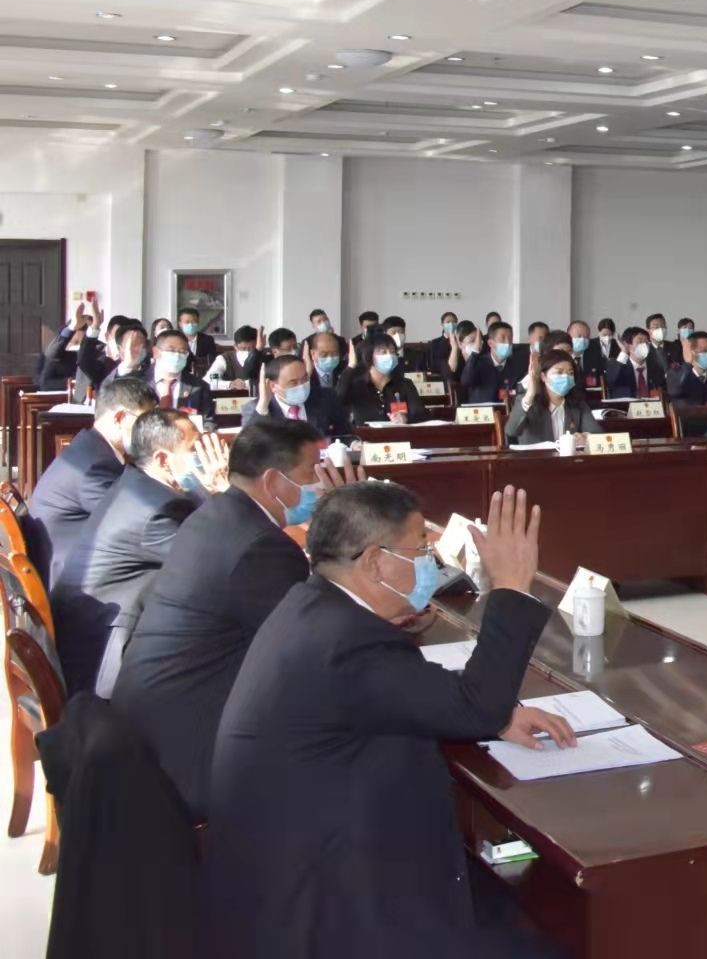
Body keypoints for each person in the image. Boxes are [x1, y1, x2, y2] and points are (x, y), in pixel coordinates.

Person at [204, 483, 573, 959]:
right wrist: (512, 587)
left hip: (292, 862)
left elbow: (411, 693)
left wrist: (499, 718)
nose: (430, 564)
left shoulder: (315, 606)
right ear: (376, 563)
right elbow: (476, 705)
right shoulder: (347, 641)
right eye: (421, 550)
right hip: (330, 902)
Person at [110, 419, 346, 819]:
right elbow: (315, 651)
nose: (319, 484)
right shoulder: (263, 547)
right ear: (274, 481)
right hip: (189, 752)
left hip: (148, 727)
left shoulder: (217, 513)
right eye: (311, 471)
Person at [53, 408, 225, 695]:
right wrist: (223, 492)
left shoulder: (139, 484)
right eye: (194, 449)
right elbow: (217, 564)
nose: (204, 458)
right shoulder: (156, 510)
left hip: (90, 632)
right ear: (162, 460)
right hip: (102, 661)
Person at [24, 377, 156, 585]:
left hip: (72, 563)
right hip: (70, 584)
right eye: (145, 422)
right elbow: (139, 523)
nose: (151, 431)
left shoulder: (91, 446)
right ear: (120, 418)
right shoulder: (95, 466)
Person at [243, 352, 349, 439]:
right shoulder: (256, 408)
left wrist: (353, 444)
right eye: (293, 382)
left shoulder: (325, 398)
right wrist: (263, 405)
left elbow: (345, 434)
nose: (301, 386)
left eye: (304, 379)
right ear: (273, 386)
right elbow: (249, 446)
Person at [506, 349, 600, 446]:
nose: (565, 377)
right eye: (559, 372)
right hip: (536, 455)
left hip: (568, 456)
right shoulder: (528, 402)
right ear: (543, 376)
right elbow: (511, 431)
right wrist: (529, 395)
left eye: (570, 373)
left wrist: (585, 437)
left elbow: (597, 434)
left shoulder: (578, 404)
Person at [340, 333, 429, 424]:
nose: (389, 356)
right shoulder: (357, 386)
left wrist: (405, 419)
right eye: (383, 352)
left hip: (397, 433)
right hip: (365, 433)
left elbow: (420, 415)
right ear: (369, 356)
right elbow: (338, 400)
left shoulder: (405, 385)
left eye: (392, 352)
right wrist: (350, 366)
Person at [148, 328, 216, 421]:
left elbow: (208, 421)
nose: (177, 355)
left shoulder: (199, 386)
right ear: (156, 352)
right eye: (171, 350)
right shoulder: (138, 382)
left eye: (182, 352)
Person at [80, 319, 149, 400]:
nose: (138, 349)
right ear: (120, 349)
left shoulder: (150, 370)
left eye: (141, 345)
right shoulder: (107, 367)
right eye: (131, 345)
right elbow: (84, 361)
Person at [448, 319, 501, 405]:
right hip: (461, 402)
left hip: (480, 401)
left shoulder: (484, 357)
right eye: (472, 341)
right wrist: (454, 348)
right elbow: (452, 371)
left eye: (478, 341)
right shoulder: (457, 358)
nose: (477, 344)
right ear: (461, 344)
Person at [608, 325, 665, 399]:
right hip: (627, 405)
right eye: (640, 341)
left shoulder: (657, 366)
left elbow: (664, 389)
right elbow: (611, 382)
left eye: (647, 342)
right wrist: (624, 351)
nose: (644, 345)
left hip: (654, 405)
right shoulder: (618, 366)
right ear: (627, 345)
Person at [666, 332, 707, 409]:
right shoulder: (676, 373)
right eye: (704, 351)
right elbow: (674, 390)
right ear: (691, 352)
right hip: (686, 415)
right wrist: (688, 364)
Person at [420, 311, 459, 378]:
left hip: (458, 372)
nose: (451, 324)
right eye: (448, 322)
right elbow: (433, 363)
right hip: (441, 373)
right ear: (442, 324)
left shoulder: (460, 340)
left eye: (454, 322)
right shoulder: (435, 342)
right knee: (444, 363)